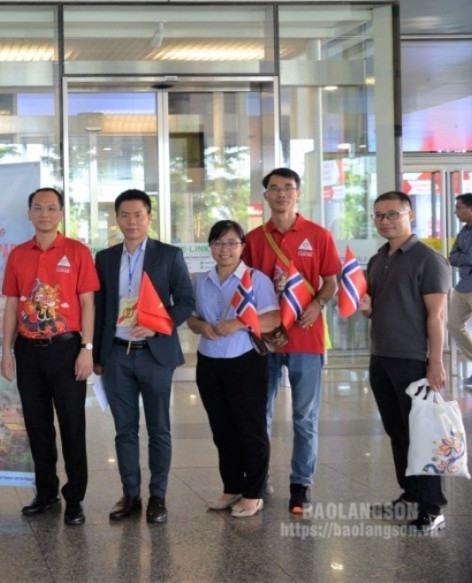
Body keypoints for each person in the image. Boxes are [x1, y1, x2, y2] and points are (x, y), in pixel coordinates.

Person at [241, 167, 340, 514]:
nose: (281, 194)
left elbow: (331, 280)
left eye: (288, 188)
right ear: (265, 195)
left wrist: (318, 304)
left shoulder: (318, 234)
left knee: (304, 416)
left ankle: (301, 484)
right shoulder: (253, 240)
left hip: (307, 339)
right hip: (266, 340)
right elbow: (246, 288)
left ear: (298, 193)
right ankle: (259, 475)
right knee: (260, 413)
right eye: (274, 188)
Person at [92, 189, 194, 524]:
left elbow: (185, 301)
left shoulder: (169, 255)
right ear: (117, 219)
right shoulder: (105, 258)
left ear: (149, 217)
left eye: (138, 215)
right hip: (117, 355)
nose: (131, 221)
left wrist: (158, 326)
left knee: (159, 428)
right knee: (124, 430)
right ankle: (131, 494)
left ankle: (158, 497)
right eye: (125, 215)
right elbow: (100, 308)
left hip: (155, 354)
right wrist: (96, 353)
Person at [1, 187, 99, 526]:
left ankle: (75, 499)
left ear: (60, 213)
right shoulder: (18, 255)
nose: (45, 213)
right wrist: (5, 351)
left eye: (51, 208)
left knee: (72, 426)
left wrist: (87, 349)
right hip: (28, 351)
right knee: (37, 426)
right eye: (38, 208)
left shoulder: (77, 251)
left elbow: (88, 304)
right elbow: (13, 304)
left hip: (67, 349)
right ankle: (46, 493)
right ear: (29, 213)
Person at [358, 191, 449, 533]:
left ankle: (432, 506)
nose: (385, 220)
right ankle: (410, 494)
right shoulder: (378, 258)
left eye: (393, 214)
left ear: (410, 215)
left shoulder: (428, 259)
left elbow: (437, 316)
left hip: (414, 360)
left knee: (422, 434)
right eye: (379, 215)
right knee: (397, 431)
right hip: (381, 358)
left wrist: (435, 363)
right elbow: (375, 311)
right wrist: (366, 308)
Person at [187, 220, 278, 518]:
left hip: (245, 362)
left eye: (231, 243)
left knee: (250, 429)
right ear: (210, 247)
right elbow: (192, 319)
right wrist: (202, 326)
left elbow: (273, 319)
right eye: (218, 243)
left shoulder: (255, 279)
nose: (224, 249)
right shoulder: (201, 281)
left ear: (242, 246)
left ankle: (254, 492)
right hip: (210, 363)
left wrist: (239, 323)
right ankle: (231, 487)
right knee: (222, 430)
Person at [447, 193, 472, 386]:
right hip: (463, 286)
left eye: (458, 207)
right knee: (453, 324)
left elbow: (464, 257)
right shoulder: (464, 231)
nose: (456, 212)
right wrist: (463, 257)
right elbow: (453, 256)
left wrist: (463, 257)